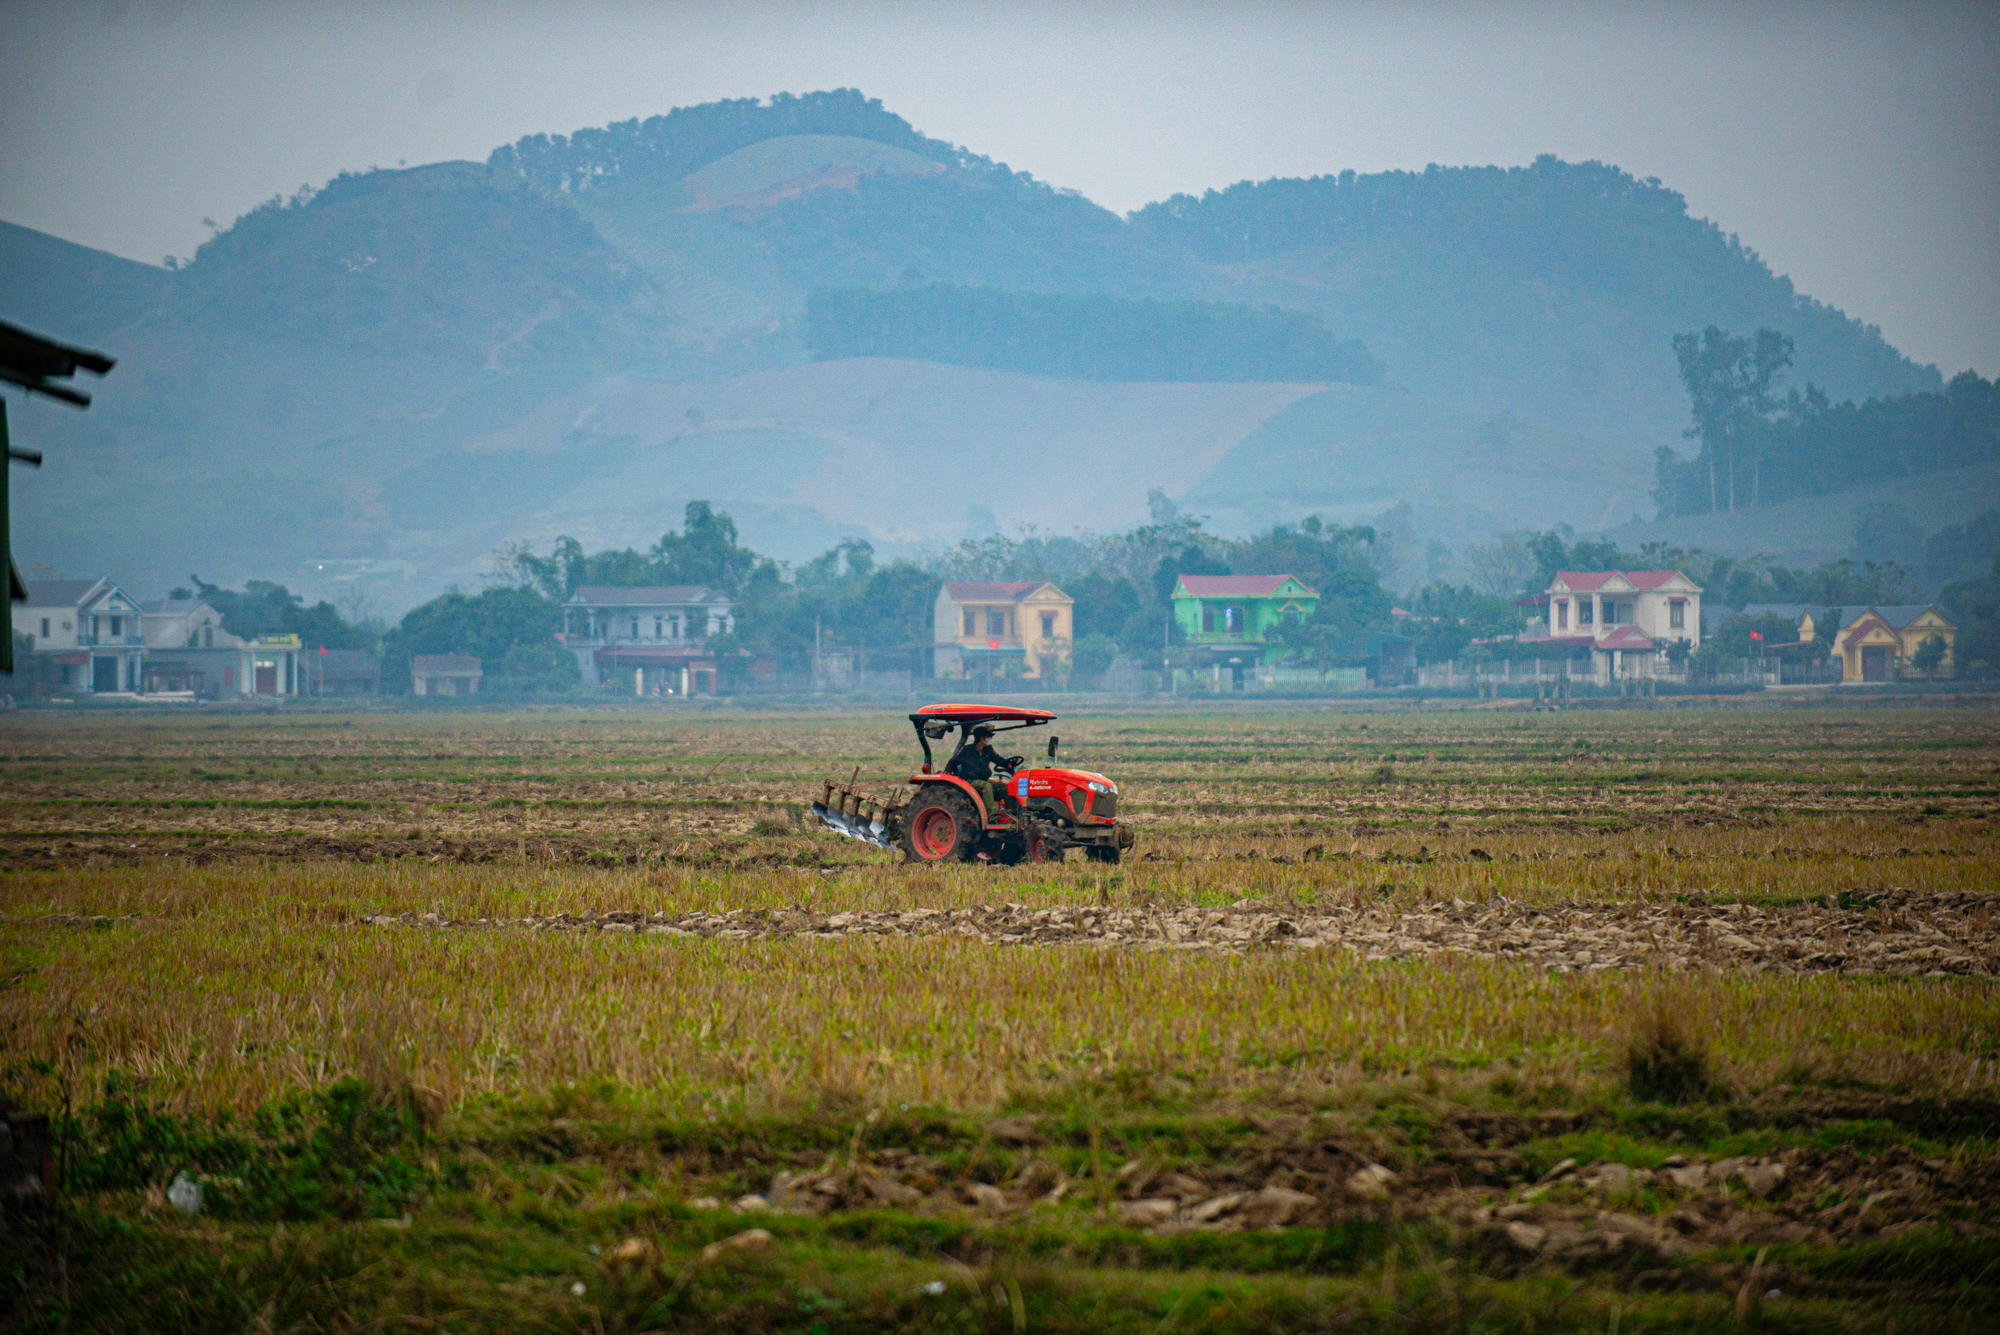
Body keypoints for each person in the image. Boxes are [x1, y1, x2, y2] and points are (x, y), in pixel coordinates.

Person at [945, 723, 1013, 818]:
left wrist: (1009, 763)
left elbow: (998, 759)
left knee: (1002, 786)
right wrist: (947, 772)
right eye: (988, 737)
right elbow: (953, 761)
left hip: (984, 779)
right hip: (970, 781)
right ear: (981, 738)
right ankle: (992, 815)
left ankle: (1012, 812)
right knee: (986, 786)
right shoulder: (967, 751)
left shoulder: (988, 750)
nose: (990, 739)